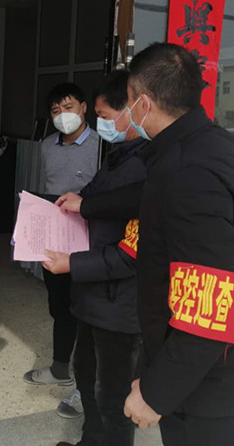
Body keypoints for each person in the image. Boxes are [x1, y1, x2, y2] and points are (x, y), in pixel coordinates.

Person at [121, 43, 234, 445]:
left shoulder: (189, 171)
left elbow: (210, 301)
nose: (127, 110)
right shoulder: (206, 144)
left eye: (128, 100)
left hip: (213, 388)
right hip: (204, 372)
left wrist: (156, 393)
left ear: (143, 102)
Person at [44, 69, 146, 446]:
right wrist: (78, 201)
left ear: (133, 110)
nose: (102, 124)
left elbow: (132, 253)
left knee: (113, 395)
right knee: (86, 375)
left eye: (104, 116)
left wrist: (72, 263)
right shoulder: (120, 155)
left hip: (119, 303)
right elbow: (97, 196)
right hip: (94, 294)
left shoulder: (149, 166)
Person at [23, 83, 100, 419]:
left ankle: (86, 386)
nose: (62, 115)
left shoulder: (102, 146)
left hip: (87, 240)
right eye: (55, 111)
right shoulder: (46, 146)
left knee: (87, 310)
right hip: (54, 238)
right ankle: (59, 368)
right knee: (59, 305)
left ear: (83, 108)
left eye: (68, 107)